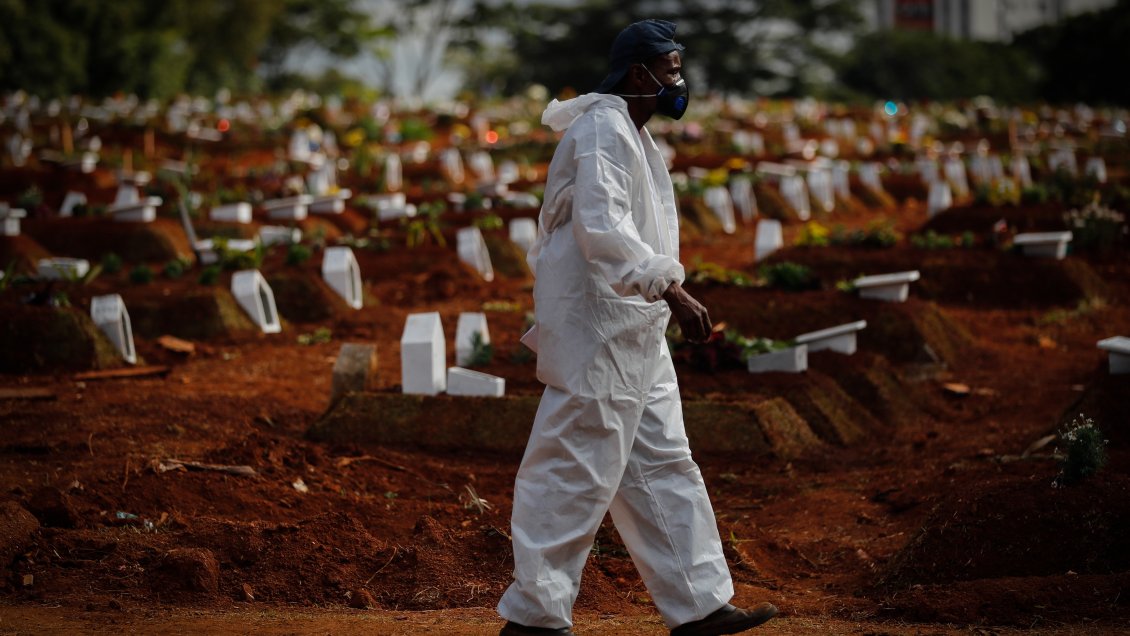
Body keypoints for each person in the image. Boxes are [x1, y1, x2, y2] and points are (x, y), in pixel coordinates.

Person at [497, 19, 778, 636]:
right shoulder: (601, 130)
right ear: (638, 73)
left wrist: (657, 297)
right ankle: (534, 619)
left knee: (664, 465)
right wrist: (669, 287)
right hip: (600, 332)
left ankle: (700, 606)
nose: (680, 81)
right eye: (672, 69)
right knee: (573, 467)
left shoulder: (630, 132)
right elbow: (602, 227)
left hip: (634, 331)